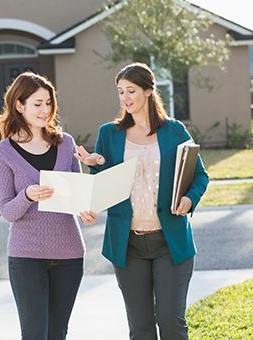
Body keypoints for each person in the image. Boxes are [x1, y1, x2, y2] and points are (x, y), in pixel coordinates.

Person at [75, 62, 209, 339]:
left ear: (149, 91)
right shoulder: (109, 134)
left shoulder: (174, 131)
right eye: (120, 91)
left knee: (172, 324)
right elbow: (105, 185)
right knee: (141, 328)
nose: (125, 97)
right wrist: (96, 163)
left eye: (131, 90)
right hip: (127, 245)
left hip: (170, 243)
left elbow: (200, 176)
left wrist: (189, 199)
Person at [0, 72, 94, 339]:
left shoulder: (66, 143)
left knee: (58, 333)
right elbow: (7, 212)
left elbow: (77, 194)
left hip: (69, 253)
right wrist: (27, 194)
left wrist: (86, 209)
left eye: (48, 103)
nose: (45, 110)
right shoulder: (2, 152)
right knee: (35, 334)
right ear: (19, 105)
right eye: (37, 104)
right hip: (27, 256)